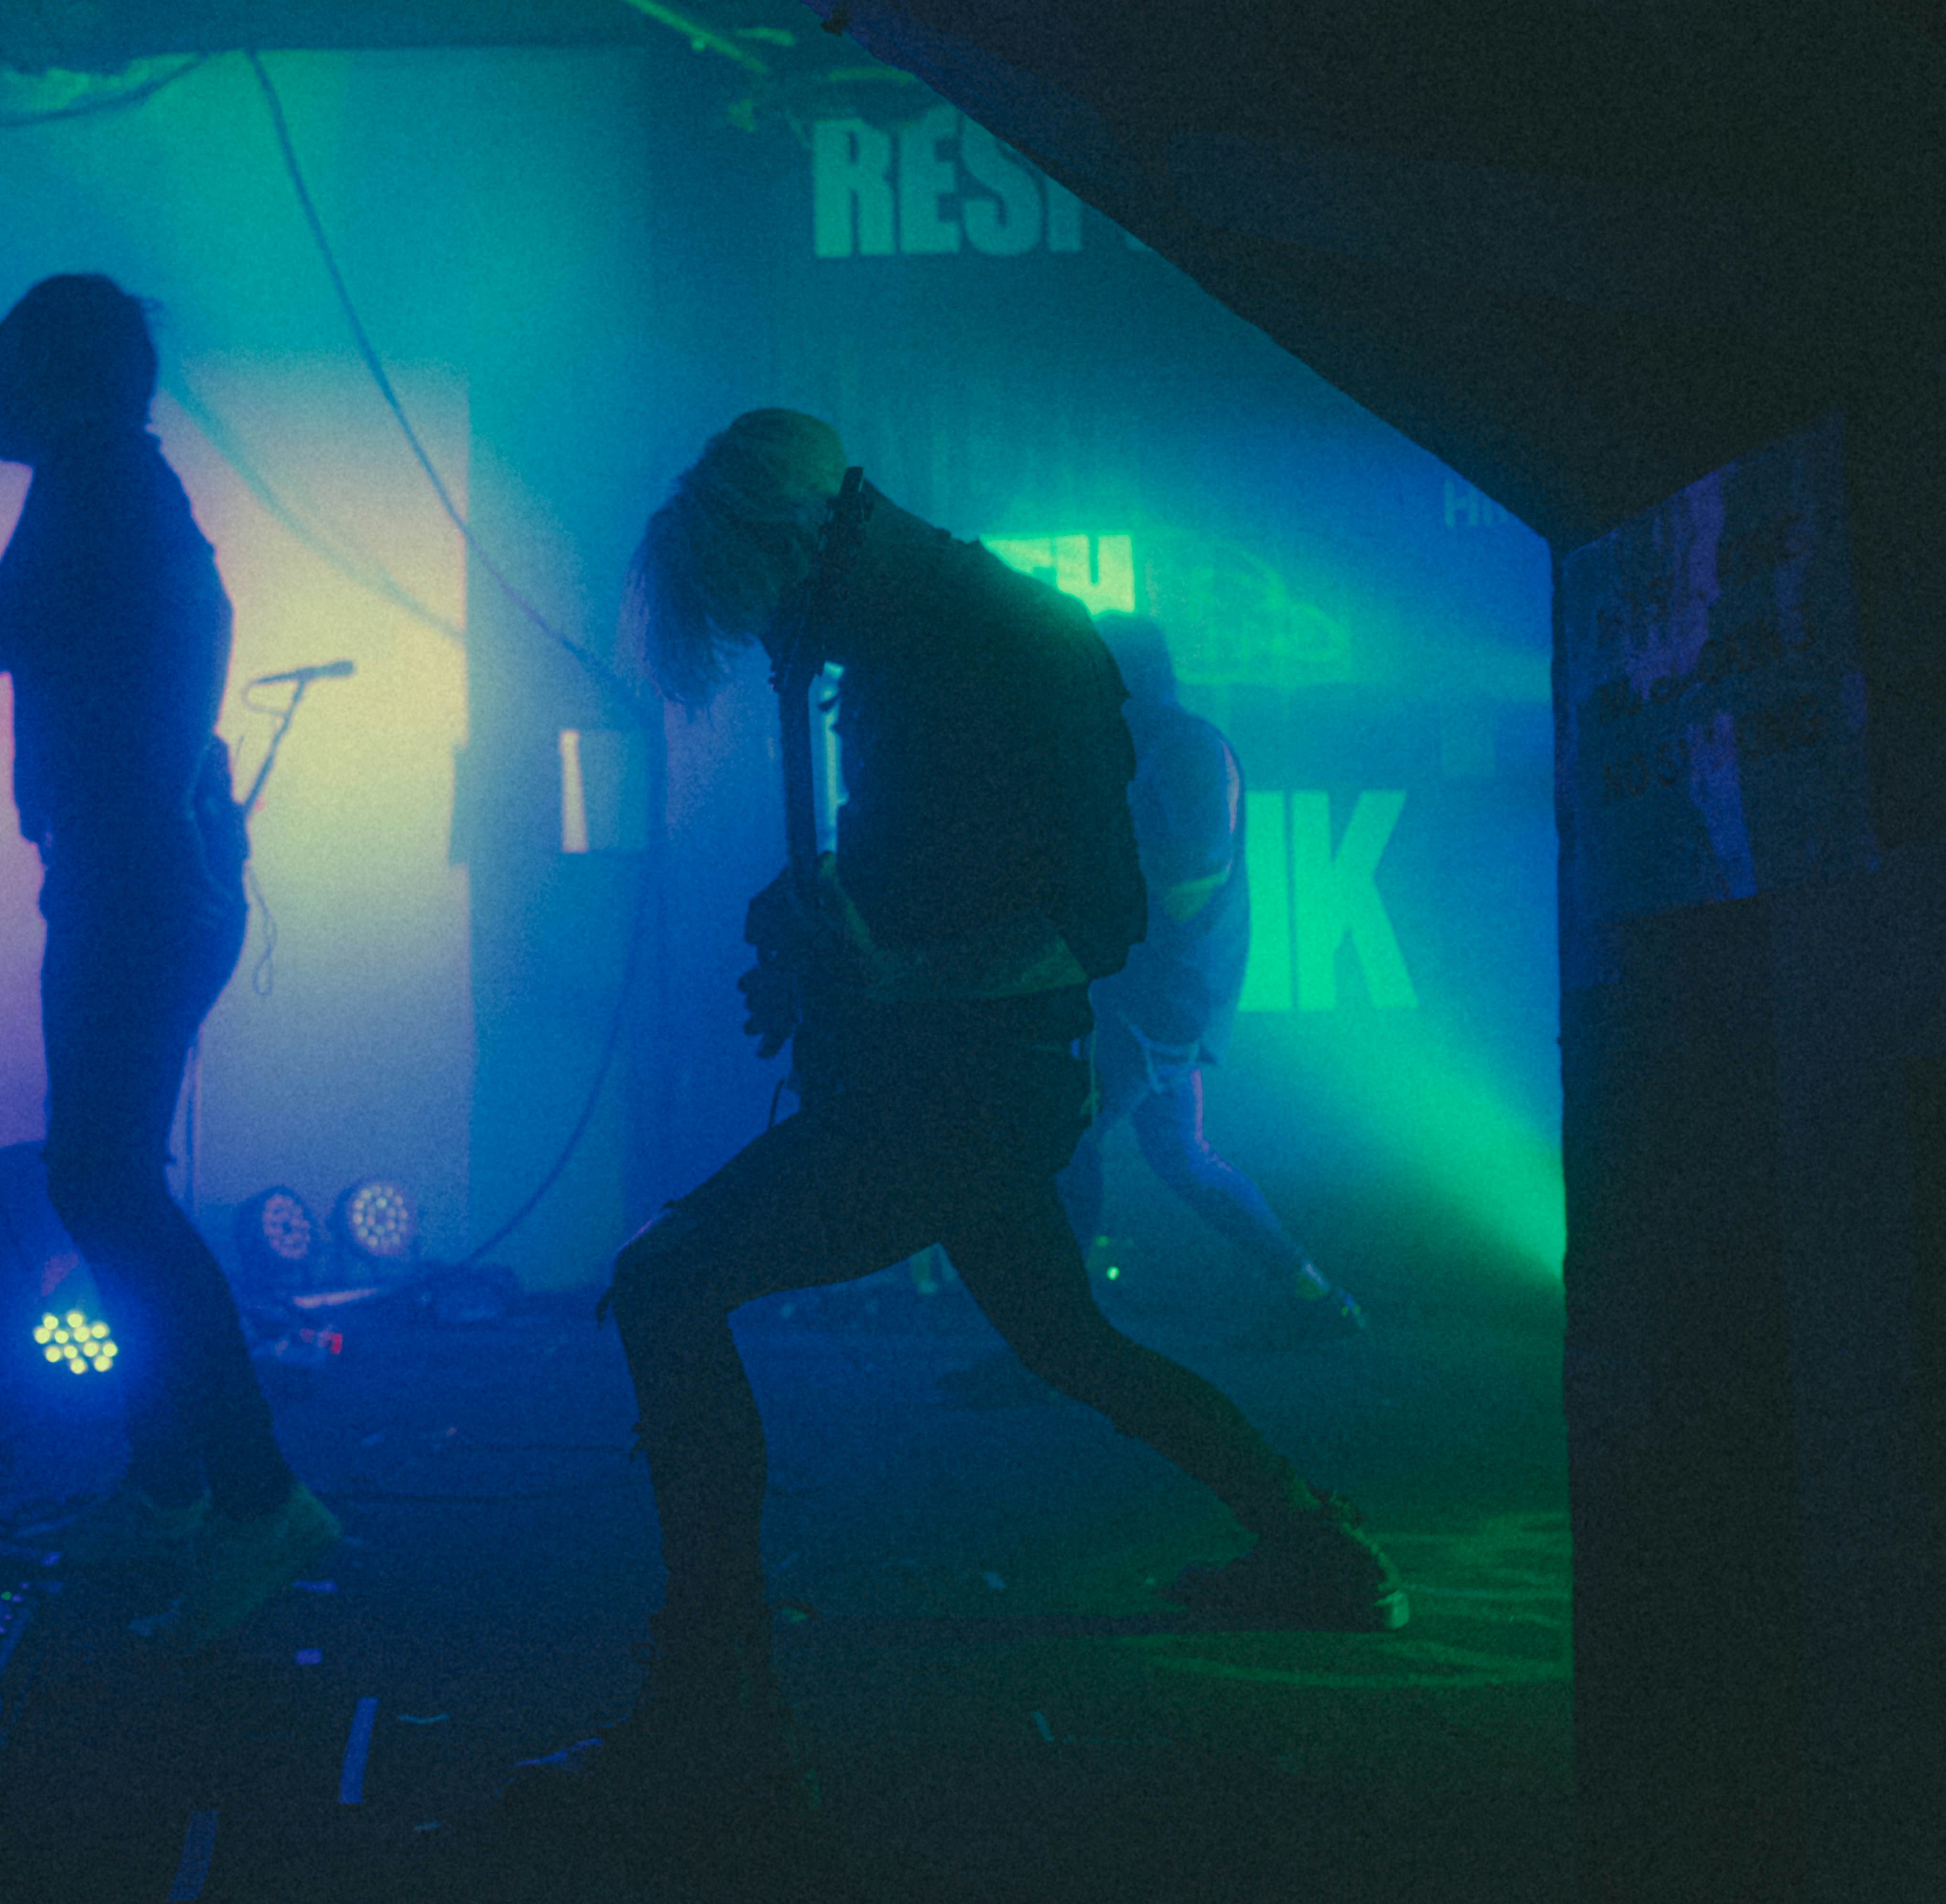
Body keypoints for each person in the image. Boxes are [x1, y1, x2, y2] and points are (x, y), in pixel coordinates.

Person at [508, 413, 1405, 1887]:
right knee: (1063, 1337)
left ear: (793, 554)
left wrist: (887, 977)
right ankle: (1311, 1546)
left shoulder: (998, 645)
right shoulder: (911, 639)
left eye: (758, 614)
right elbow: (921, 869)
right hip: (951, 1086)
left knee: (668, 1289)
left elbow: (1096, 922)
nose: (772, 650)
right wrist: (810, 933)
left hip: (961, 1094)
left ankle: (715, 1730)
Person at [0, 274, 334, 1646]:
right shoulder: (114, 487)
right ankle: (172, 1484)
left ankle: (255, 1496)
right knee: (116, 1181)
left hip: (135, 886)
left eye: (8, 363)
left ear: (67, 378)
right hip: (147, 880)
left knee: (102, 1183)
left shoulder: (95, 492)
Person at [942, 614, 1359, 1410]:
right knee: (1183, 1156)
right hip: (1151, 989)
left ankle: (1059, 1344)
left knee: (1065, 1144)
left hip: (1158, 993)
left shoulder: (1186, 748)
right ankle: (1317, 1300)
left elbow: (1191, 873)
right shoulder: (1142, 743)